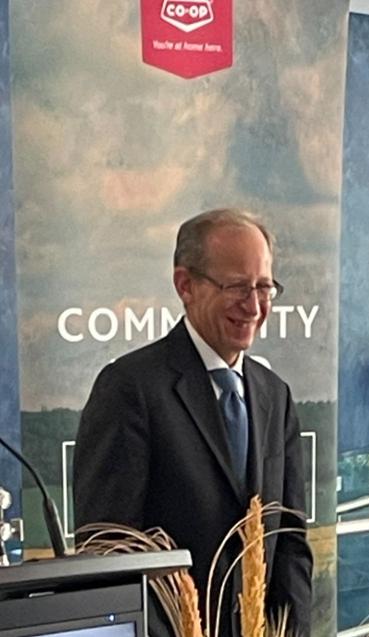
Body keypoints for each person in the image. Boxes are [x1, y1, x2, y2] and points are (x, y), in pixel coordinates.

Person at [74, 208, 313, 636]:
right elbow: (107, 555)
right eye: (238, 287)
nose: (255, 306)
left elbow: (291, 545)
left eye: (264, 287)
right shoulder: (130, 389)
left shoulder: (275, 396)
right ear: (185, 285)